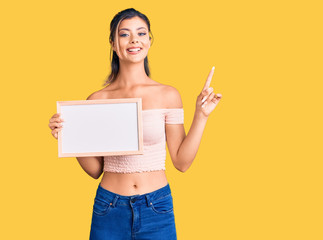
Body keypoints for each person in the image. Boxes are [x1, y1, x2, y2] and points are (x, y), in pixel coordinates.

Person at [48, 8, 222, 240]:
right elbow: (94, 170)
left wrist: (201, 115)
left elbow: (181, 162)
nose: (133, 40)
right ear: (113, 43)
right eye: (124, 34)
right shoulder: (97, 100)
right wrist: (69, 135)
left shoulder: (168, 95)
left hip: (156, 207)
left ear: (149, 40)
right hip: (108, 206)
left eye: (141, 33)